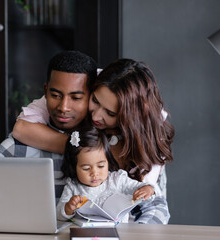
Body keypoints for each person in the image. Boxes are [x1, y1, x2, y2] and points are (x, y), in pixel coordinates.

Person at [12, 58, 174, 224]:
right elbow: (21, 129)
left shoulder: (149, 138)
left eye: (110, 113)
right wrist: (85, 147)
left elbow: (148, 202)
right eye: (95, 101)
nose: (96, 116)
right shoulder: (81, 82)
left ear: (130, 119)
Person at [0, 50, 98, 201]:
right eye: (55, 95)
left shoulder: (107, 146)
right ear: (45, 91)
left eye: (75, 98)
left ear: (93, 97)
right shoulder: (15, 150)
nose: (63, 107)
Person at [57, 126, 158, 222]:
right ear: (74, 167)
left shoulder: (117, 180)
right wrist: (68, 208)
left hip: (118, 232)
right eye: (86, 168)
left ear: (108, 161)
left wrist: (147, 189)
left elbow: (143, 189)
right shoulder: (73, 187)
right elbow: (58, 215)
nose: (94, 173)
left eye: (100, 166)